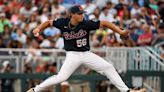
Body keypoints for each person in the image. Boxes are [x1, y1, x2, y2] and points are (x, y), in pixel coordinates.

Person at [27, 5, 146, 92]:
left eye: (82, 13)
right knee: (61, 77)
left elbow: (104, 23)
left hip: (86, 54)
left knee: (108, 67)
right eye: (79, 13)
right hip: (72, 55)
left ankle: (127, 91)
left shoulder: (86, 23)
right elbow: (48, 22)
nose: (82, 15)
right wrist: (38, 28)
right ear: (72, 15)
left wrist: (119, 31)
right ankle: (35, 90)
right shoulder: (63, 22)